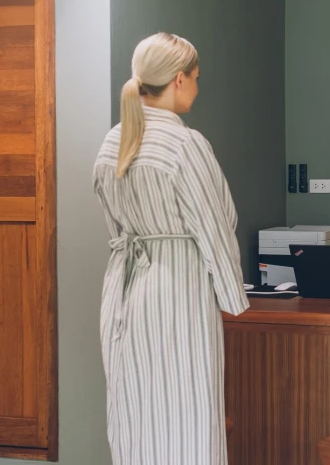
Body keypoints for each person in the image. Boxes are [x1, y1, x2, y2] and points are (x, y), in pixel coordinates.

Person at [93, 33, 247, 465]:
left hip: (123, 292)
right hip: (178, 290)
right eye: (196, 78)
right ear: (179, 80)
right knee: (188, 412)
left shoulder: (112, 141)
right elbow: (215, 226)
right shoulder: (185, 144)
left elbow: (115, 226)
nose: (197, 86)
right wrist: (234, 298)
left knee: (134, 411)